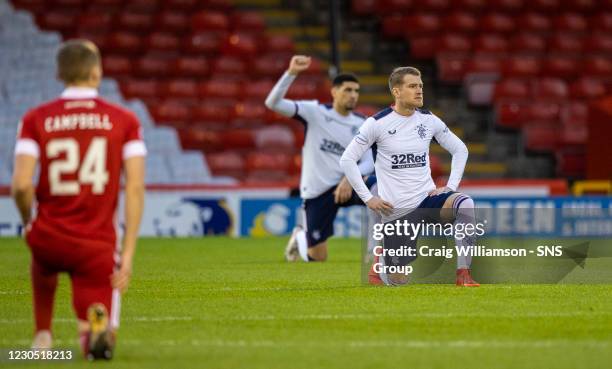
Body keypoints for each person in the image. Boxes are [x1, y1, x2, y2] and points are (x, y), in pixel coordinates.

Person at [11, 39, 146, 359]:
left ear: (60, 74)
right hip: (96, 244)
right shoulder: (124, 120)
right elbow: (136, 188)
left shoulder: (35, 118)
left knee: (43, 263)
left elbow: (20, 186)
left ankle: (42, 336)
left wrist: (29, 222)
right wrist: (126, 254)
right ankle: (92, 334)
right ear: (97, 72)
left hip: (49, 235)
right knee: (96, 330)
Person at [340, 66, 480, 287]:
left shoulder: (428, 120)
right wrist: (369, 198)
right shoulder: (377, 123)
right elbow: (347, 160)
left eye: (421, 86)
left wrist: (450, 187)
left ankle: (463, 274)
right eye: (412, 86)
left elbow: (460, 149)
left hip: (427, 200)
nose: (419, 90)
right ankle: (382, 263)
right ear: (396, 92)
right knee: (398, 282)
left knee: (465, 204)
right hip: (396, 211)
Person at [265, 55, 375, 262]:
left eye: (356, 91)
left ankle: (374, 251)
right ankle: (300, 236)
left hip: (348, 186)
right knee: (318, 258)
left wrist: (348, 179)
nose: (353, 95)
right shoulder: (314, 112)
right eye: (347, 90)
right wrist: (292, 73)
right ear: (334, 92)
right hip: (318, 190)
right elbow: (272, 103)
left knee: (380, 189)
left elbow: (369, 161)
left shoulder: (363, 123)